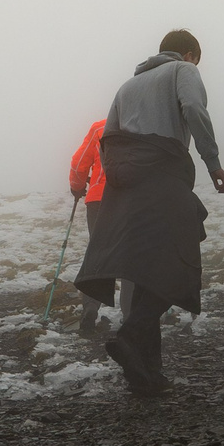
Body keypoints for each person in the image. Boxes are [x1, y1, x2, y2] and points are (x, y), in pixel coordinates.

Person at [75, 31, 224, 394]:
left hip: (125, 185)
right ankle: (129, 337)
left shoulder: (127, 86)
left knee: (145, 273)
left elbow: (108, 136)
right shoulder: (182, 70)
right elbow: (193, 109)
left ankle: (147, 373)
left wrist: (120, 177)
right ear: (190, 53)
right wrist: (212, 162)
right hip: (164, 174)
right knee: (178, 261)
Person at [66, 120, 128, 336]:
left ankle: (90, 311)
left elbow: (79, 162)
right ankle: (135, 313)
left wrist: (77, 186)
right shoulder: (142, 126)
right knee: (134, 252)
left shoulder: (100, 128)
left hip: (99, 201)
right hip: (133, 199)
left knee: (99, 254)